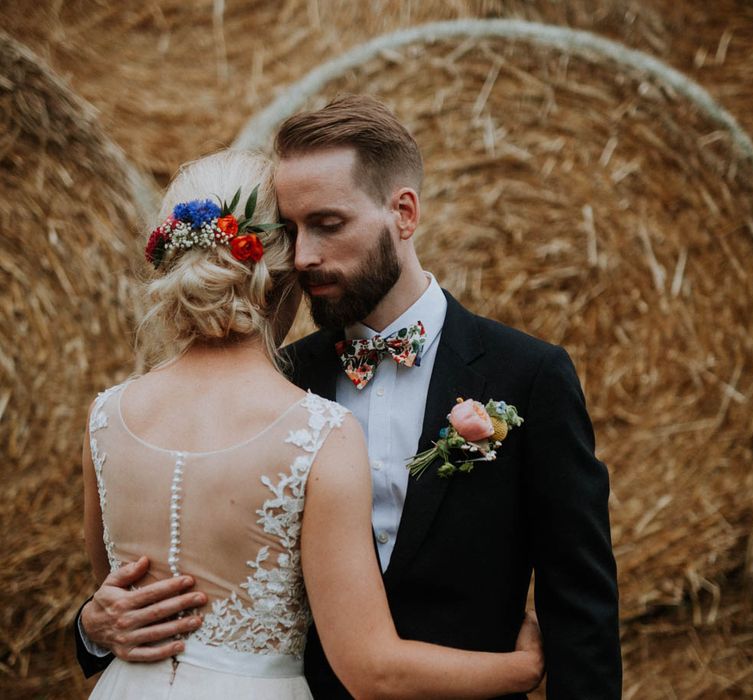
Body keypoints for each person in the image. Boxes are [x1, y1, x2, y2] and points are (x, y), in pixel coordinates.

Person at [76, 96, 622, 698]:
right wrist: (93, 626)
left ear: (404, 213)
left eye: (328, 225)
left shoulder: (529, 375)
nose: (304, 257)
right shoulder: (288, 383)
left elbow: (581, 606)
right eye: (290, 231)